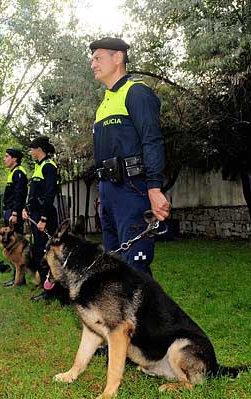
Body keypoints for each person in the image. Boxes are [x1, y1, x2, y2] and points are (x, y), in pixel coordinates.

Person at [89, 37, 170, 276]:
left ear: (118, 58)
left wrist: (154, 189)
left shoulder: (136, 92)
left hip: (132, 190)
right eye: (92, 59)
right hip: (108, 191)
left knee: (135, 268)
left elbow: (152, 141)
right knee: (113, 269)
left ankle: (146, 315)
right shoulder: (103, 103)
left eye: (98, 58)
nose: (93, 63)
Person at [22, 136, 60, 302]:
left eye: (32, 148)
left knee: (48, 252)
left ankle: (52, 290)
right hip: (35, 215)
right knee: (38, 251)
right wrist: (25, 209)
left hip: (46, 216)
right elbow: (33, 194)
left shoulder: (49, 166)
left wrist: (43, 218)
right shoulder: (39, 167)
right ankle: (45, 286)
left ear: (39, 149)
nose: (30, 152)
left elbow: (50, 194)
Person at [2, 148, 27, 233]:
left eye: (7, 156)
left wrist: (15, 213)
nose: (4, 159)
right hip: (10, 210)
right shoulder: (13, 172)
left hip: (13, 212)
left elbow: (20, 194)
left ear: (14, 158)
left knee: (15, 240)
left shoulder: (18, 172)